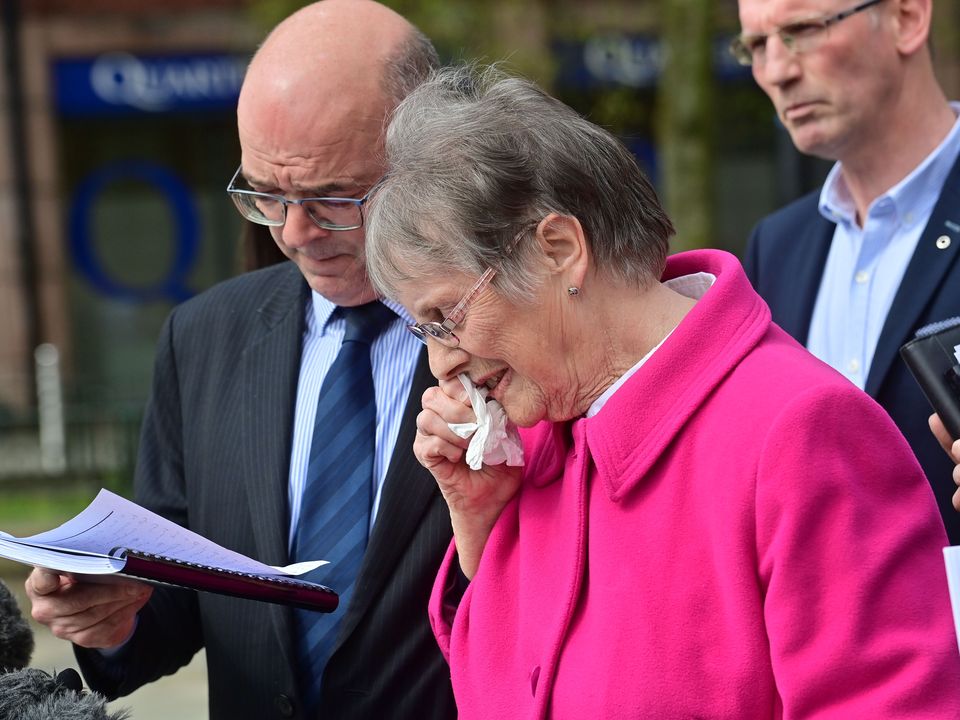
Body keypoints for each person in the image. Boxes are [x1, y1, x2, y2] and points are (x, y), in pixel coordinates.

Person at [362, 63, 960, 717]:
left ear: (559, 248)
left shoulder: (799, 431)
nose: (440, 365)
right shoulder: (530, 441)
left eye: (446, 318)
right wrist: (482, 534)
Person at [24, 2, 458, 718]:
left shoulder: (516, 336)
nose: (294, 233)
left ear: (433, 159)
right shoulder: (203, 338)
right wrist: (107, 615)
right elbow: (172, 603)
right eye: (265, 194)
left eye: (330, 199)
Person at [732, 0, 960, 542]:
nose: (777, 72)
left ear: (907, 18)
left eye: (802, 30)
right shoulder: (775, 247)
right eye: (757, 46)